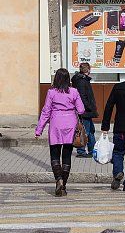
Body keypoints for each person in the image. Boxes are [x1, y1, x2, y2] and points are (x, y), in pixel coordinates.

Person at [35, 68, 85, 197]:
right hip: (70, 124)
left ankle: (58, 180)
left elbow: (46, 111)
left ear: (56, 78)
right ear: (68, 79)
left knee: (55, 154)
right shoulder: (74, 91)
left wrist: (39, 129)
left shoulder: (51, 92)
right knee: (67, 155)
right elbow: (81, 110)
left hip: (56, 124)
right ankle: (64, 185)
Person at [71, 62, 98, 158]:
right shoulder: (82, 81)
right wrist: (89, 107)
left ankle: (92, 150)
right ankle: (81, 150)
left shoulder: (82, 80)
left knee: (90, 130)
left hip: (86, 111)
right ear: (88, 70)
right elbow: (82, 97)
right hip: (84, 111)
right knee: (84, 131)